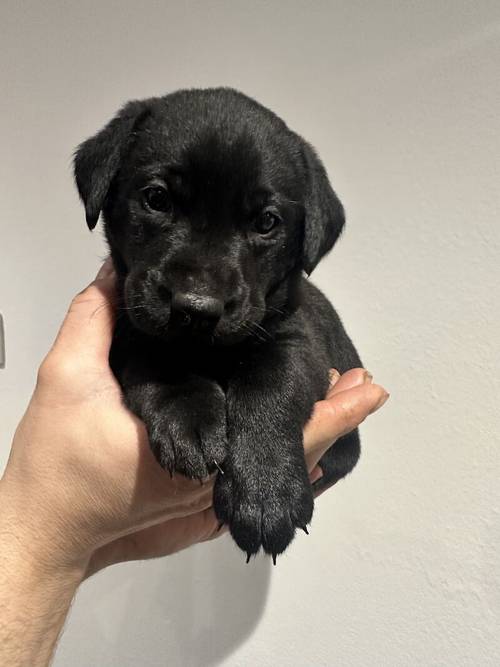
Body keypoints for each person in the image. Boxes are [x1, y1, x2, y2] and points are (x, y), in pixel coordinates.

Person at [0, 260, 389, 667]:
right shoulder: (125, 310)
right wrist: (49, 530)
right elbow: (133, 364)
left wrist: (61, 546)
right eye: (157, 200)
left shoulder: (282, 307)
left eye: (262, 223)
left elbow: (291, 359)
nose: (199, 291)